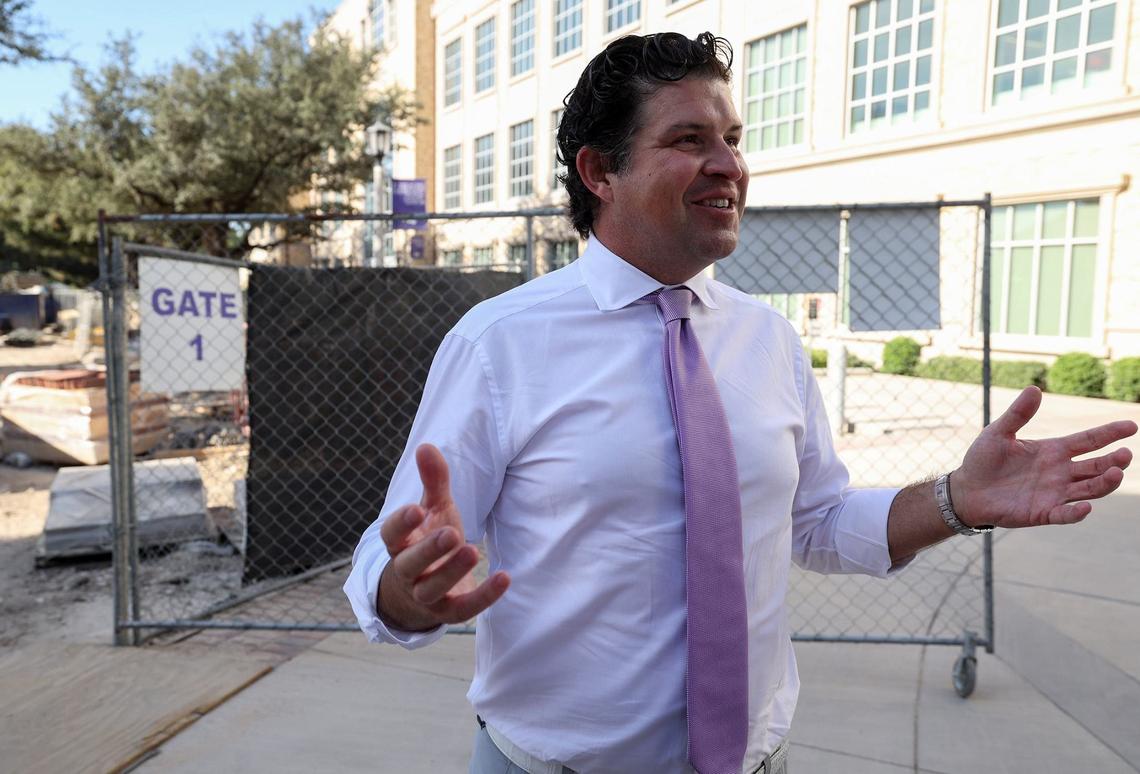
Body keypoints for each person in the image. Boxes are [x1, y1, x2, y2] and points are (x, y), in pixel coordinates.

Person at [344, 32, 1135, 774]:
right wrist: (405, 594)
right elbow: (387, 558)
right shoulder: (500, 344)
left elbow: (819, 522)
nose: (729, 163)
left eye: (734, 138)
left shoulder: (769, 339)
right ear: (599, 172)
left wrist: (957, 499)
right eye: (689, 140)